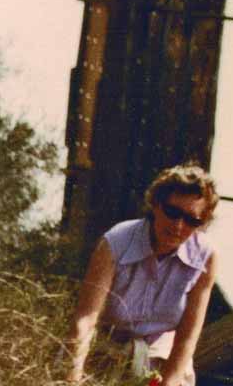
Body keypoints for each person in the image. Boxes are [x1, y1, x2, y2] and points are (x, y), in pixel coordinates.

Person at [68, 164, 219, 386]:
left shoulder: (206, 257)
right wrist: (73, 377)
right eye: (172, 212)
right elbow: (86, 319)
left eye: (191, 220)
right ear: (156, 204)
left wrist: (168, 383)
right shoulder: (116, 242)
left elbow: (187, 338)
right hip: (105, 354)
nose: (178, 226)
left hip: (164, 361)